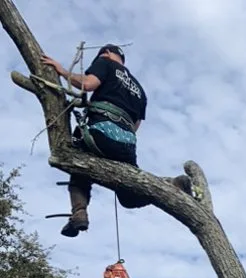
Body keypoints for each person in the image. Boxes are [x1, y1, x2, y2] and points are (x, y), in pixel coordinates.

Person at [41, 44, 189, 237]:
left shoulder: (106, 63)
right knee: (129, 198)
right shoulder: (140, 90)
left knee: (77, 165)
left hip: (100, 134)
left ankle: (79, 212)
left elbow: (88, 84)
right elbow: (136, 126)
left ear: (108, 53)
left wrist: (61, 70)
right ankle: (171, 185)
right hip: (126, 146)